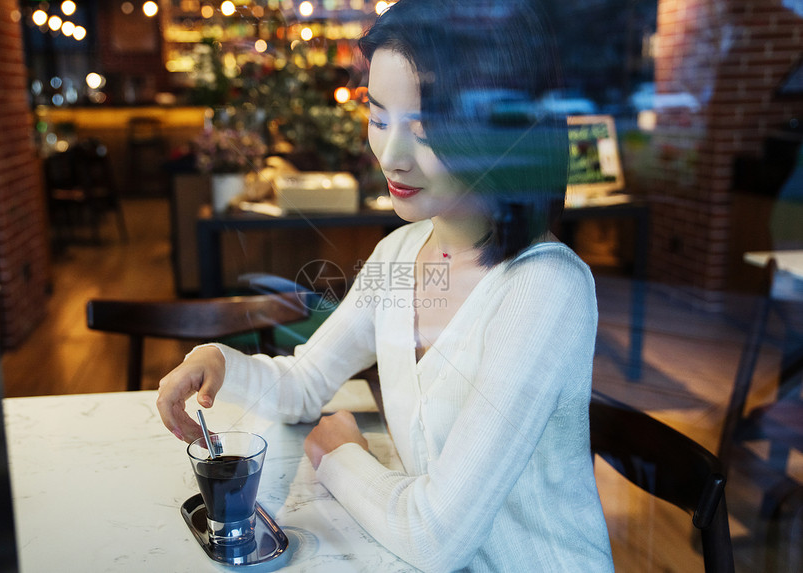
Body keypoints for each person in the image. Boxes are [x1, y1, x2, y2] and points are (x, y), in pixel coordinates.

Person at [157, 0, 614, 570]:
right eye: (378, 118)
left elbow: (436, 538)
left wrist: (342, 455)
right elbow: (304, 383)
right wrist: (219, 363)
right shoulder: (400, 253)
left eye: (423, 129)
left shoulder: (544, 290)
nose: (391, 157)